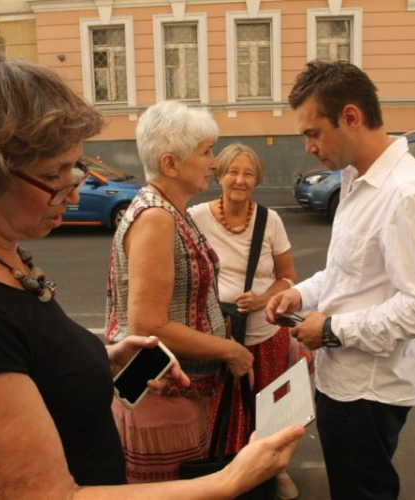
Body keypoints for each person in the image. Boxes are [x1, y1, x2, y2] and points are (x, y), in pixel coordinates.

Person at [0, 53, 304, 499]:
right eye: (54, 175)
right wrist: (229, 480)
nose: (72, 193)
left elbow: (29, 362)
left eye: (76, 167)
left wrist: (104, 360)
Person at [266, 60, 415, 499]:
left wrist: (330, 330)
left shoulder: (405, 194)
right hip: (345, 378)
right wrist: (298, 293)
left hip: (367, 391)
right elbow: (348, 273)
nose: (309, 147)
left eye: (313, 133)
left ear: (351, 117)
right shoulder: (354, 178)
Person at [105, 100, 256, 483]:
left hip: (173, 395)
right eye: (205, 152)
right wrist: (229, 350)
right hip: (161, 398)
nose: (213, 162)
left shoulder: (168, 209)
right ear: (171, 163)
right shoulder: (156, 217)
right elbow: (149, 324)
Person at [188, 143, 300, 499]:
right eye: (232, 172)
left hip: (265, 333)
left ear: (257, 179)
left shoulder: (270, 221)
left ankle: (277, 468)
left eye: (248, 173)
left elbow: (288, 277)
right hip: (218, 335)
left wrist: (265, 298)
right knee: (220, 410)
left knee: (270, 409)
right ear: (219, 176)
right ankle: (225, 471)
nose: (240, 180)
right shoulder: (195, 217)